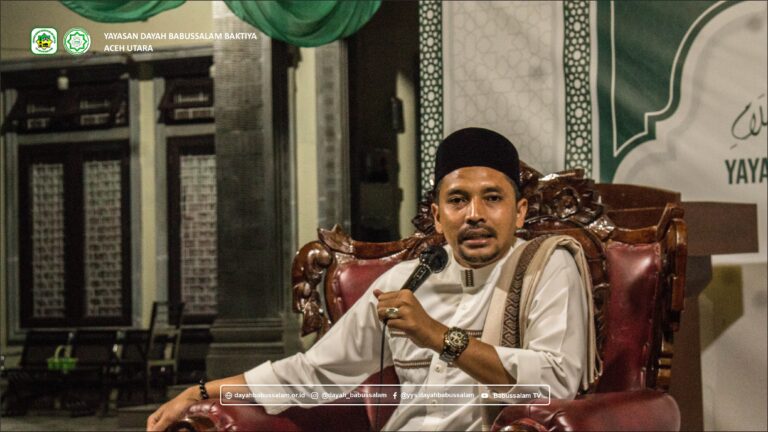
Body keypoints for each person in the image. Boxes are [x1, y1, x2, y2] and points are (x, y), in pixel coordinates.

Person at [147, 127, 597, 431]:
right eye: (458, 200)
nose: (474, 214)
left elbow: (556, 381)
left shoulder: (546, 267)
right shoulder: (407, 281)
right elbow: (314, 372)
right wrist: (201, 391)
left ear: (519, 212)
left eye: (493, 198)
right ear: (437, 216)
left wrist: (439, 336)